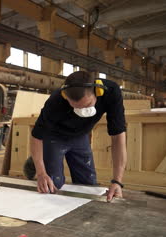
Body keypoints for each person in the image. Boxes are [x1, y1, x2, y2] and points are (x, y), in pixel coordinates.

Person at [30, 71, 127, 201]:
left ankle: (40, 159)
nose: (82, 111)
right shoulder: (55, 101)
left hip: (81, 136)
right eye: (76, 107)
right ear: (65, 97)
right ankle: (37, 161)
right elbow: (36, 136)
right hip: (54, 137)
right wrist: (41, 172)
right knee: (52, 186)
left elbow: (118, 137)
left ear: (97, 92)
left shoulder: (111, 92)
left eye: (87, 105)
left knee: (88, 186)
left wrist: (117, 181)